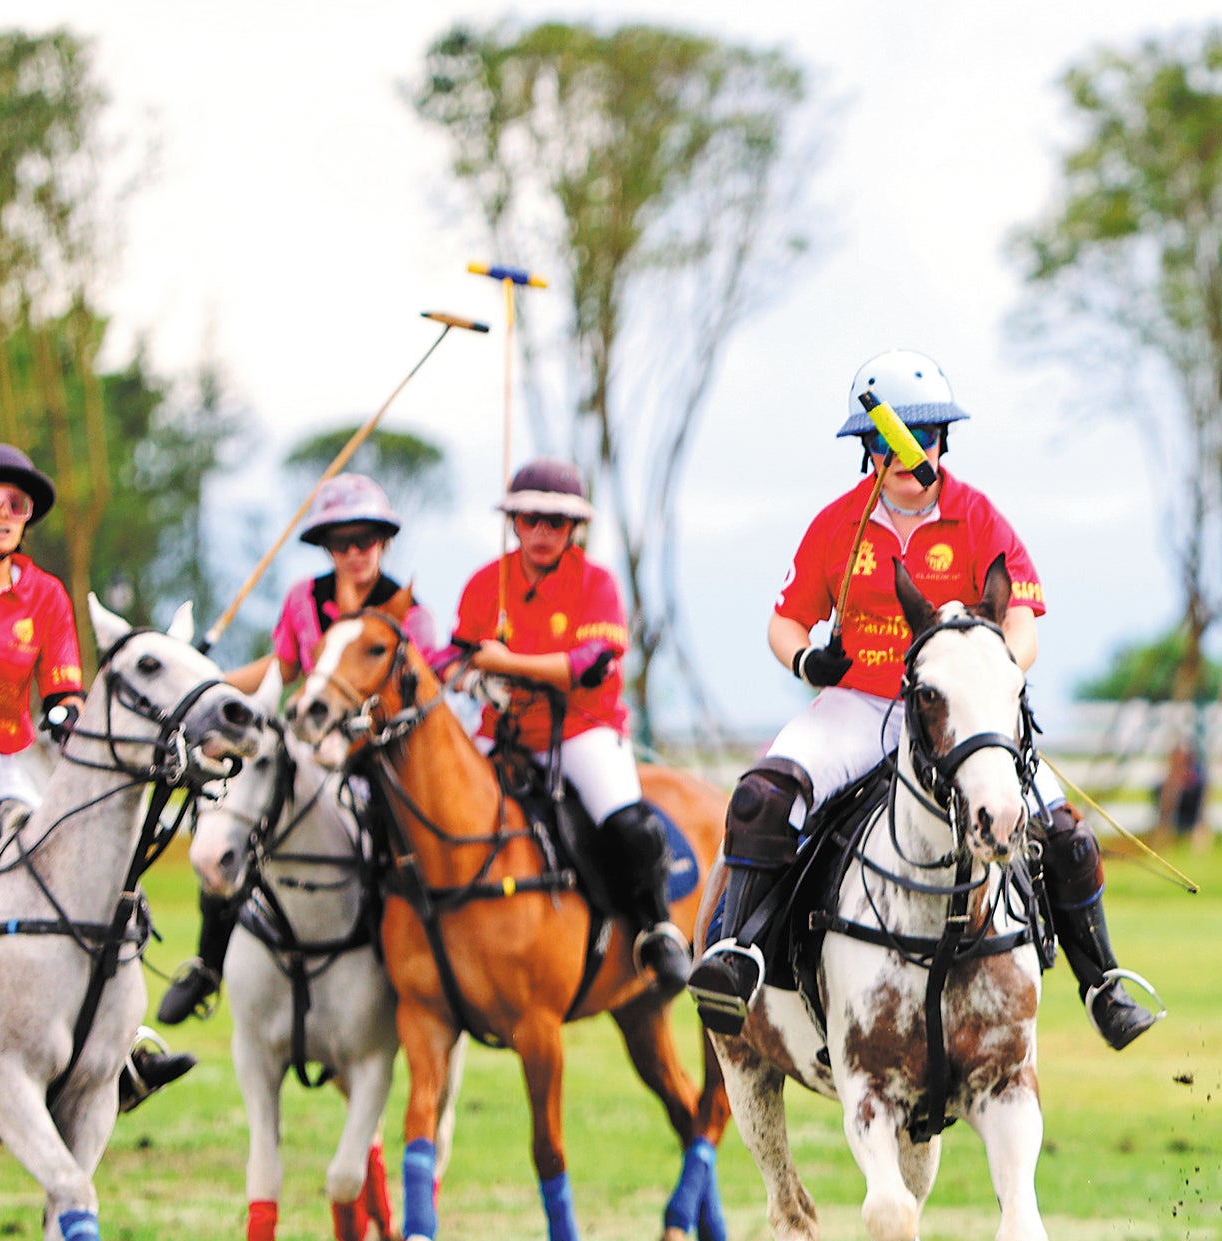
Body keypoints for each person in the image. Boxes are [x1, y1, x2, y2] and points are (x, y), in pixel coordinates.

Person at [687, 350, 1160, 1050]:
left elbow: (1022, 617)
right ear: (868, 449)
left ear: (944, 440)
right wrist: (807, 658)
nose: (914, 454)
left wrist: (998, 669)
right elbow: (783, 620)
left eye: (929, 436)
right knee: (761, 797)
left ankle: (1102, 984)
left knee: (1062, 833)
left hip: (956, 717)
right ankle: (739, 955)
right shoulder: (836, 526)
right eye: (893, 440)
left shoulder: (977, 517)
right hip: (856, 705)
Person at [0, 444, 190, 1103]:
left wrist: (70, 716)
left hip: (7, 771)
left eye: (17, 503)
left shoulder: (44, 595)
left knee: (98, 867)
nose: (6, 513)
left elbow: (63, 687)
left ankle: (119, 1047)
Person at [156, 473, 444, 1023]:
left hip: (374, 759)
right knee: (232, 823)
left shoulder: (410, 613)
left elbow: (420, 698)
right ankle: (208, 965)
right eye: (342, 542)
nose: (355, 552)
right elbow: (284, 667)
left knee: (397, 852)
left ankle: (404, 969)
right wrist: (208, 682)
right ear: (327, 547)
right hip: (304, 752)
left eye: (366, 540)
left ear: (384, 542)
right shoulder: (304, 601)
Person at [443, 459, 691, 991]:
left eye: (554, 523)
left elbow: (588, 664)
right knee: (434, 801)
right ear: (513, 522)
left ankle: (658, 928)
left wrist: (505, 665)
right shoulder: (488, 584)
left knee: (627, 822)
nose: (540, 533)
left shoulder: (596, 583)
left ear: (573, 528)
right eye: (529, 520)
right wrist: (471, 680)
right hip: (503, 730)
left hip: (583, 730)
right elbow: (454, 657)